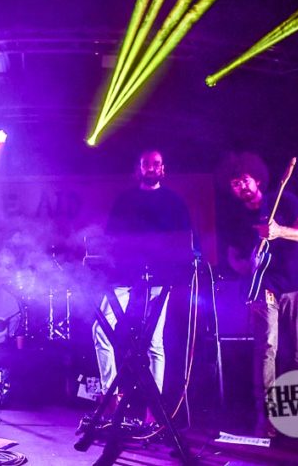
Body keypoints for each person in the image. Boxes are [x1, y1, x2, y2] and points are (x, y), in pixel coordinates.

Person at [92, 150, 192, 424]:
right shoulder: (125, 200)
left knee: (154, 341)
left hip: (160, 277)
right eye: (146, 164)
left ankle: (153, 409)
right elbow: (111, 239)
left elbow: (184, 242)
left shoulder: (174, 202)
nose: (151, 168)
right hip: (124, 275)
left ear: (163, 168)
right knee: (101, 328)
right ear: (139, 168)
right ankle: (110, 395)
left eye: (156, 164)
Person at [218, 152, 298, 436]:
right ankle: (267, 416)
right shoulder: (236, 218)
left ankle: (295, 413)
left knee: (294, 350)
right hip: (263, 288)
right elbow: (233, 257)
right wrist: (248, 265)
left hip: (294, 285)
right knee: (266, 349)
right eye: (235, 184)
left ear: (257, 179)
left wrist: (279, 231)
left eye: (245, 180)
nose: (241, 187)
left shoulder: (284, 200)